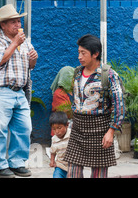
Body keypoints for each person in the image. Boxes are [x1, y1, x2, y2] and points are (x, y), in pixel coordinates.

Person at [0, 4, 38, 178]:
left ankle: (16, 163)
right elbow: (0, 61)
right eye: (13, 22)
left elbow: (29, 67)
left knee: (24, 128)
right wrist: (15, 43)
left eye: (19, 21)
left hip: (19, 92)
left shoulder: (24, 41)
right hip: (0, 91)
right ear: (3, 26)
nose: (18, 24)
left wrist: (33, 60)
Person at [64, 34, 125, 178]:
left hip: (100, 130)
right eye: (78, 52)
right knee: (72, 172)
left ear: (95, 54)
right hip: (78, 130)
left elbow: (120, 105)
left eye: (83, 53)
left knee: (99, 175)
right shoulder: (77, 72)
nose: (79, 56)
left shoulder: (109, 75)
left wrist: (111, 131)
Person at [49, 111, 71, 178]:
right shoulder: (54, 139)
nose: (57, 132)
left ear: (67, 125)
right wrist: (52, 161)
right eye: (54, 129)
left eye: (59, 128)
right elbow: (53, 151)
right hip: (60, 166)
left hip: (71, 167)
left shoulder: (71, 135)